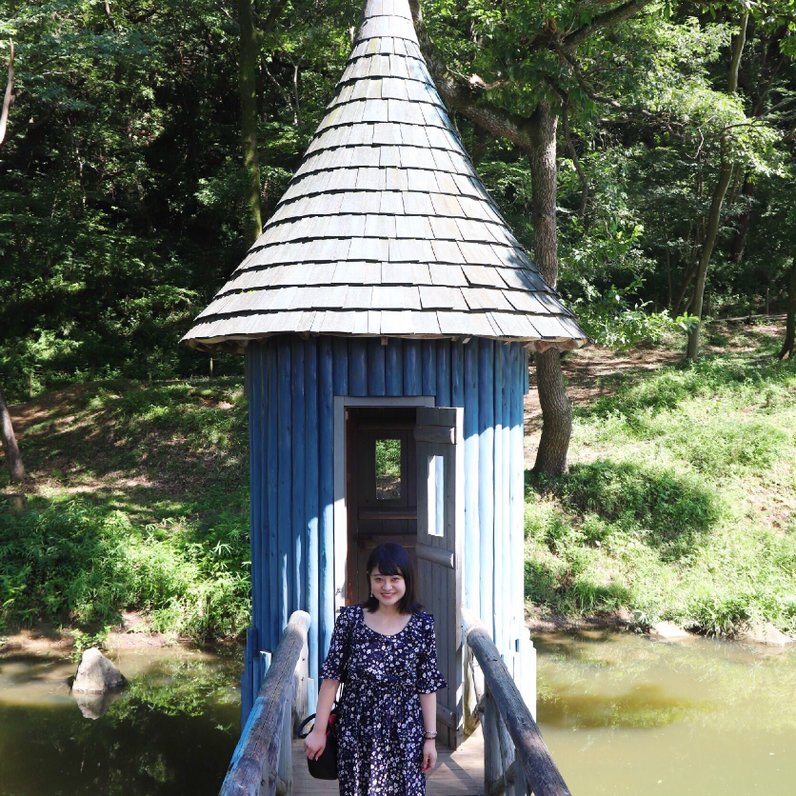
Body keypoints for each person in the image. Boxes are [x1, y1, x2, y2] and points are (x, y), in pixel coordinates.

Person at [304, 542, 447, 795]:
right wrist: (318, 731)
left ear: (407, 580)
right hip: (356, 729)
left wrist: (430, 739)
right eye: (379, 578)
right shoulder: (350, 619)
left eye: (394, 578)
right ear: (369, 580)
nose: (387, 586)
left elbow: (427, 686)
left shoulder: (422, 625)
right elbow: (331, 678)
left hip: (406, 731)